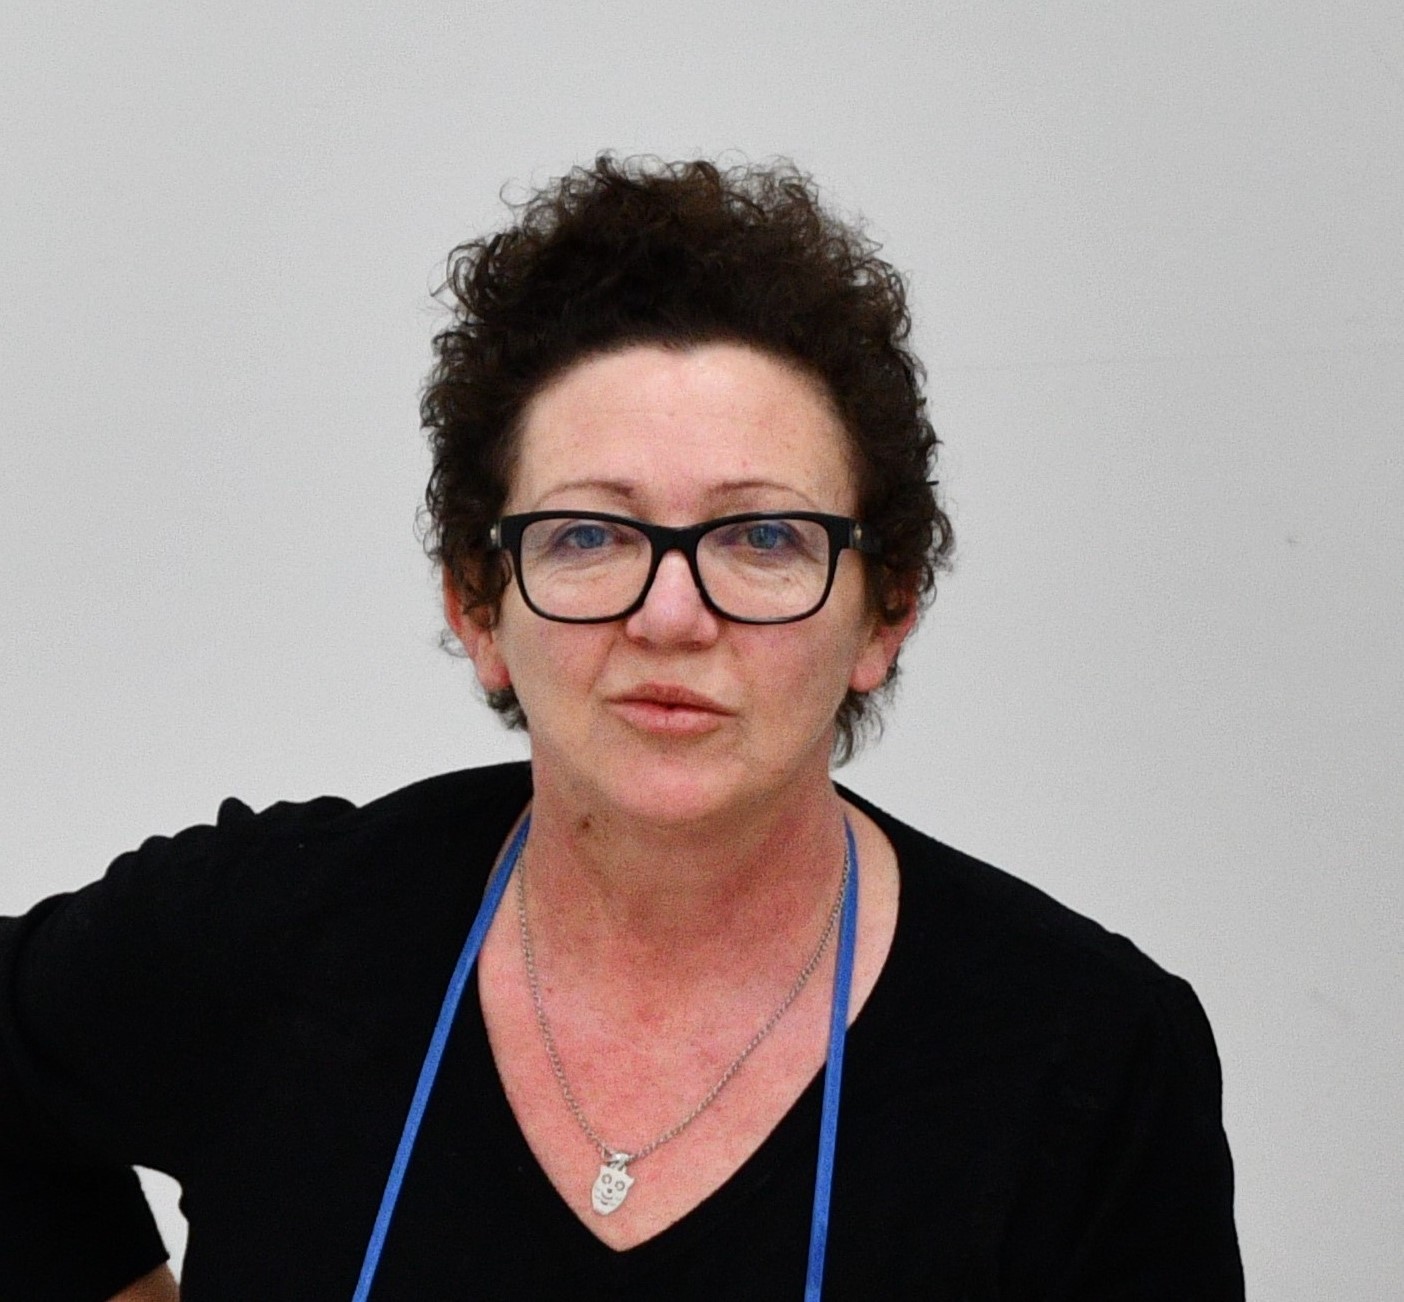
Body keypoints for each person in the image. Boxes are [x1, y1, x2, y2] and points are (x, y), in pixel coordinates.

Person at [0, 157, 1244, 1300]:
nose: (671, 614)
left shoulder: (1089, 1064)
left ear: (887, 611)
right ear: (478, 604)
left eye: (763, 537)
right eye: (590, 534)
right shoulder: (273, 938)